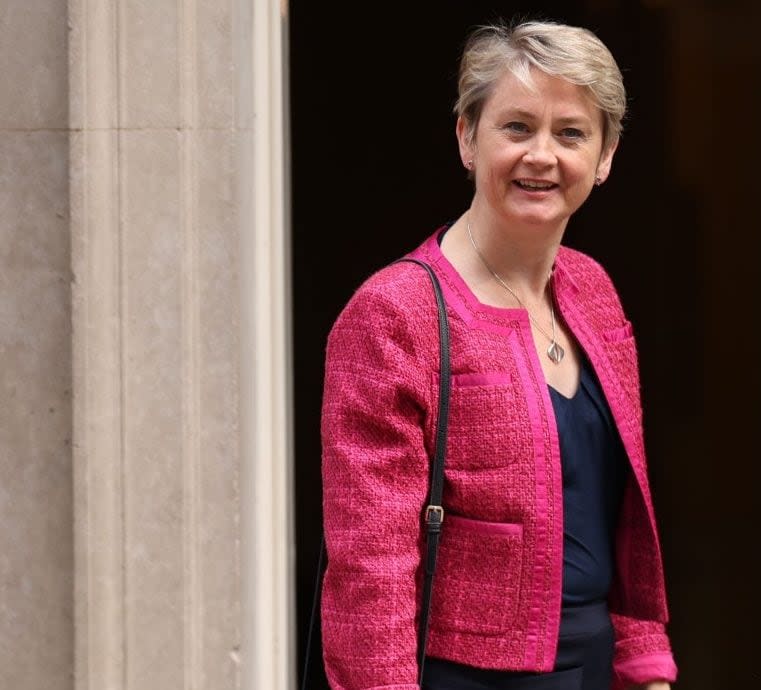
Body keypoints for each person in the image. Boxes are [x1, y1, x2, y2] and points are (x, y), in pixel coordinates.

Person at [320, 19, 677, 690]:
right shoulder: (396, 313)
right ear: (466, 137)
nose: (541, 156)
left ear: (605, 156)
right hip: (464, 676)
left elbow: (621, 511)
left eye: (570, 133)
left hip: (595, 666)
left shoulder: (593, 292)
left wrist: (644, 663)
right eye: (516, 127)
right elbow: (370, 565)